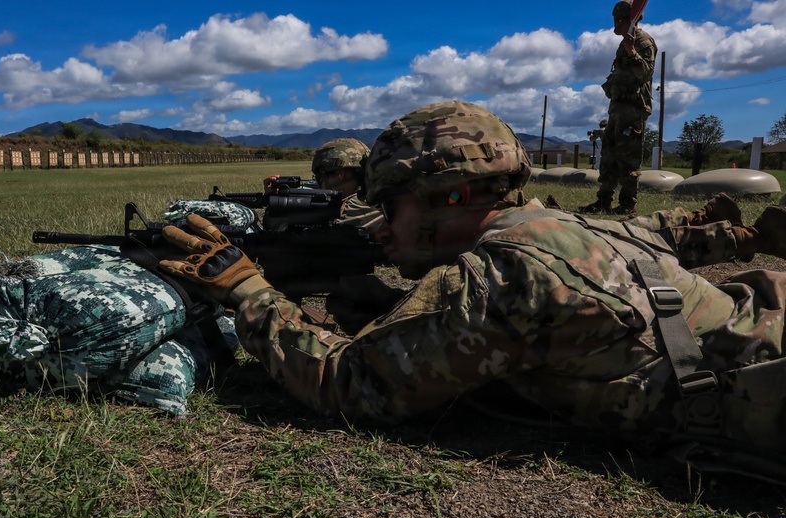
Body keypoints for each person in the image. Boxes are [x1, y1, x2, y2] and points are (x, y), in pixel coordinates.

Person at [159, 100, 786, 482]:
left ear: (449, 197)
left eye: (390, 206)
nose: (381, 227)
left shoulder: (506, 276)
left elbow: (351, 384)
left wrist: (248, 291)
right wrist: (393, 307)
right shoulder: (566, 225)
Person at [579, 0, 657, 215]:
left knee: (628, 159)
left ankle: (627, 205)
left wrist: (632, 52)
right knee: (609, 157)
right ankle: (603, 201)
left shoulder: (643, 41)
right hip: (617, 108)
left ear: (624, 19)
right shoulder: (624, 43)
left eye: (616, 19)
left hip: (633, 110)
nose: (614, 23)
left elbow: (646, 74)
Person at [264, 138, 384, 236]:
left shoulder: (350, 209)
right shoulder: (379, 197)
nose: (320, 184)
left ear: (340, 174)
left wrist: (278, 206)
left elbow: (284, 229)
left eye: (320, 177)